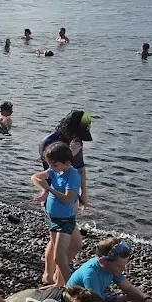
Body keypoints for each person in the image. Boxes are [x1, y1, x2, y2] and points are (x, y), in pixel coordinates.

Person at [39, 109, 92, 271]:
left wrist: (83, 193)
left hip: (71, 195)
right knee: (56, 240)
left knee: (72, 243)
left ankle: (57, 272)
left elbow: (81, 169)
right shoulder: (50, 142)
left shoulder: (76, 141)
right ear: (71, 127)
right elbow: (53, 172)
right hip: (57, 198)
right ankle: (51, 274)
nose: (79, 139)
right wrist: (71, 154)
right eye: (78, 133)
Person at [30, 142, 81, 285]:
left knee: (72, 247)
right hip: (54, 216)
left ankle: (64, 284)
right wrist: (45, 189)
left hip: (65, 219)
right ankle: (59, 283)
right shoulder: (57, 170)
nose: (51, 168)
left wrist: (49, 189)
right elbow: (35, 177)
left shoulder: (72, 175)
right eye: (49, 164)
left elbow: (67, 199)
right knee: (56, 249)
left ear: (67, 162)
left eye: (54, 164)